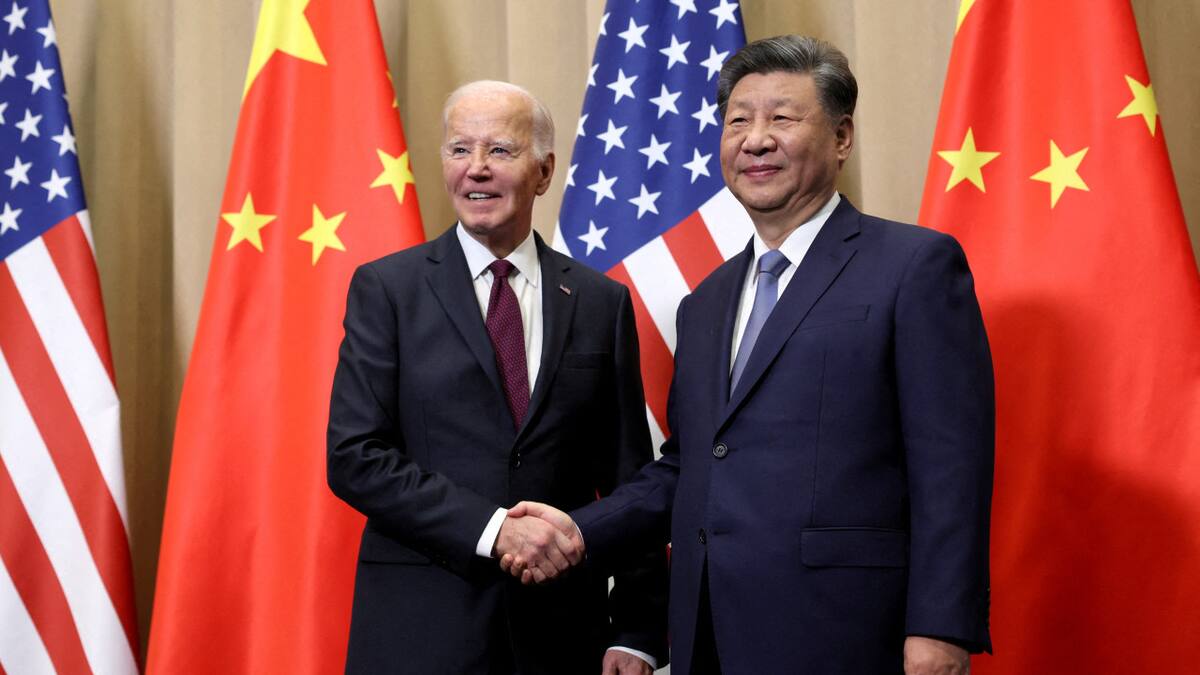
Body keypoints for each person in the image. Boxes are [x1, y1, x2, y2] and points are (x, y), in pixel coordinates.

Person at [505, 36, 994, 675]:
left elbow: (950, 466)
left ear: (842, 137)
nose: (755, 140)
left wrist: (940, 627)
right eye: (738, 121)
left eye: (782, 118)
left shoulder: (914, 267)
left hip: (848, 634)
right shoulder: (705, 302)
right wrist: (578, 529)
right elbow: (690, 464)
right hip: (709, 632)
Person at [327, 80, 667, 675]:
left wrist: (638, 631)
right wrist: (492, 531)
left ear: (544, 172)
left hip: (562, 636)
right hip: (421, 631)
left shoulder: (600, 302)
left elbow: (628, 476)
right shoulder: (388, 289)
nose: (476, 168)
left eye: (500, 150)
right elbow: (356, 456)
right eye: (460, 150)